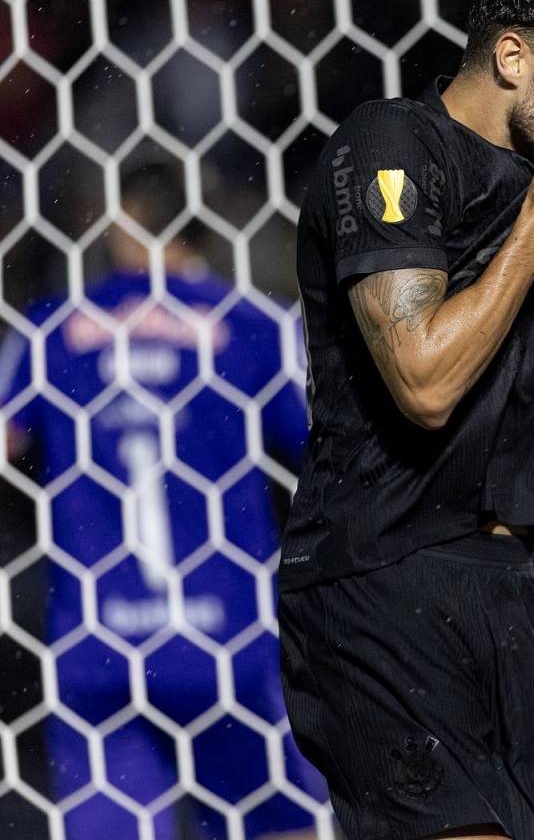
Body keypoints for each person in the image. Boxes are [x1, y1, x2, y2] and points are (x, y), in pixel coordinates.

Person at [279, 0, 534, 840]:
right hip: (377, 574)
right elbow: (423, 381)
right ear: (511, 58)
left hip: (503, 587)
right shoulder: (391, 147)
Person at [0, 165, 324, 840]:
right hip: (227, 636)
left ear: (121, 222)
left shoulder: (51, 329)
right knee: (277, 825)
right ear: (200, 223)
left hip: (98, 642)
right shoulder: (251, 324)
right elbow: (324, 453)